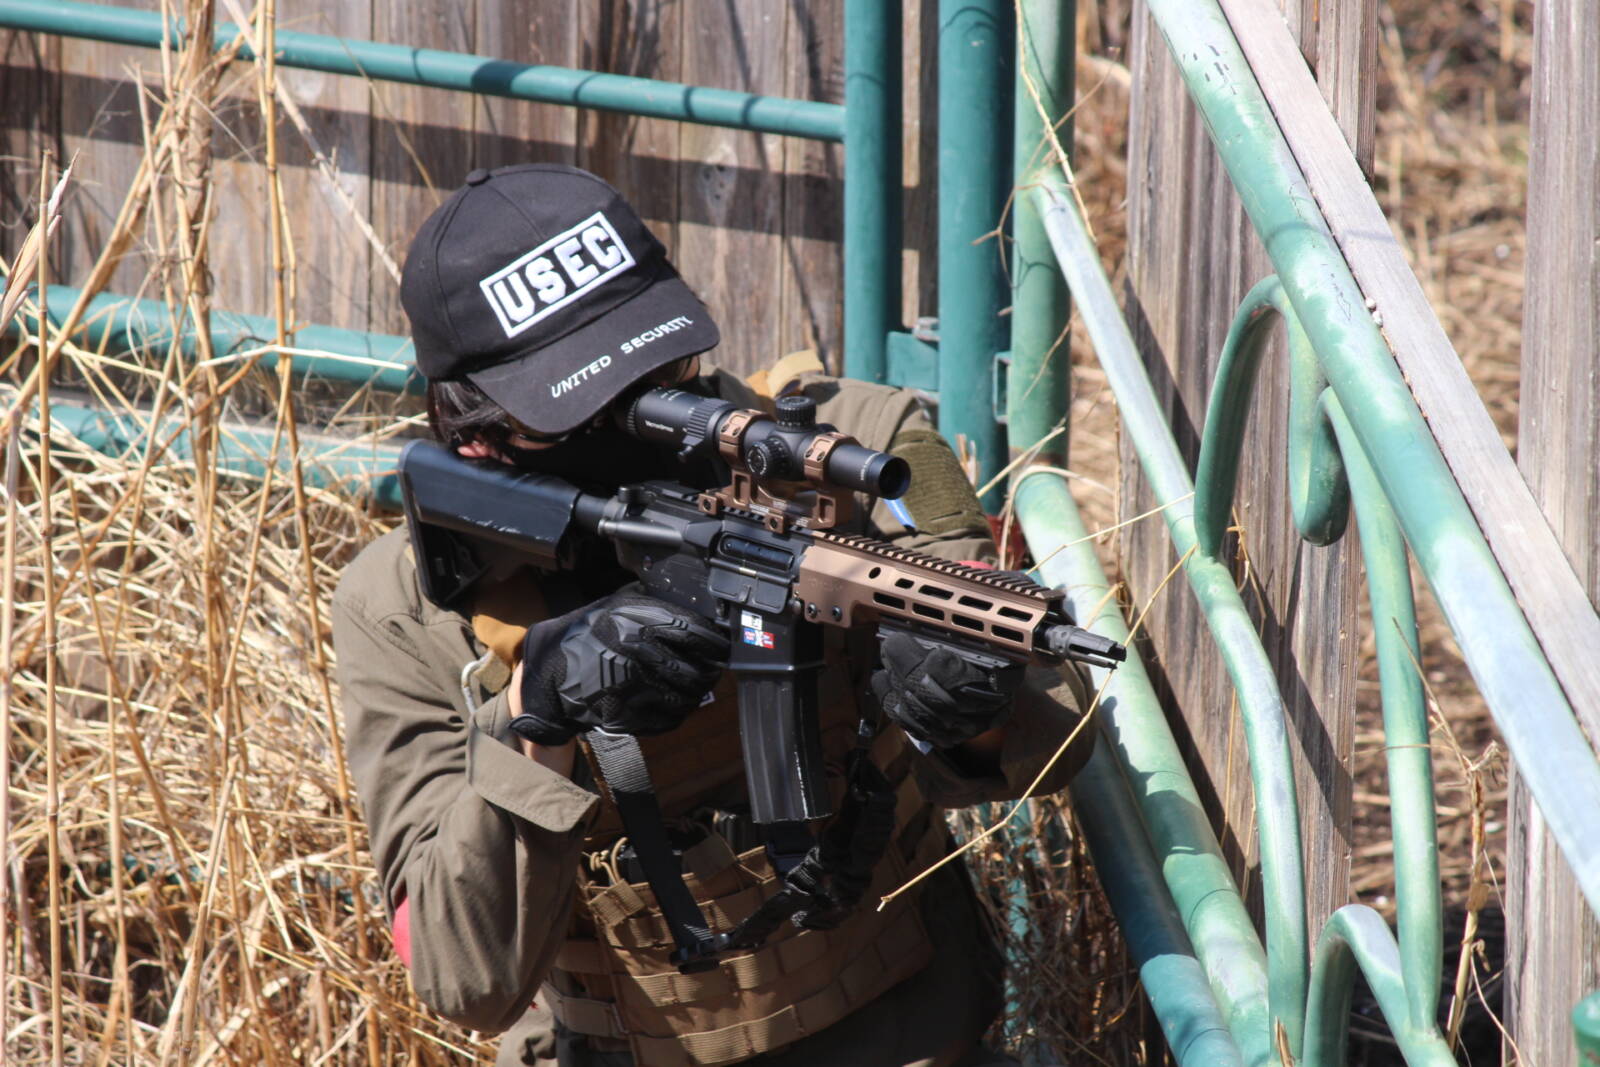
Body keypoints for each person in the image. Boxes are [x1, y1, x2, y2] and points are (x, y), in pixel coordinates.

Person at [331, 163, 1096, 1067]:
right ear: (476, 432)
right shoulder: (409, 608)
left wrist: (968, 703)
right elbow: (466, 982)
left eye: (662, 370)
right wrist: (538, 719)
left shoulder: (853, 449)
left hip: (917, 1036)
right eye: (582, 408)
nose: (637, 418)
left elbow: (1059, 741)